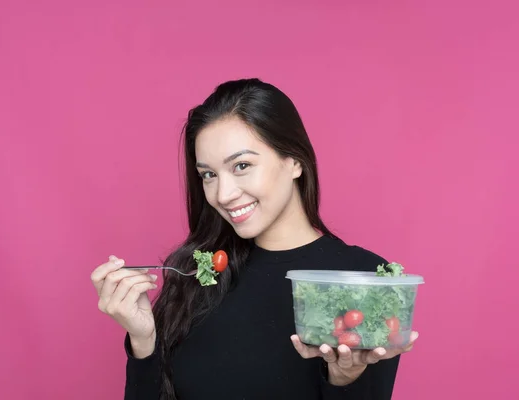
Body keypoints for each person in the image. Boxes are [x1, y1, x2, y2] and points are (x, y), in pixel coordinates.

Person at [90, 78, 418, 400]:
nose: (224, 194)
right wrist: (143, 341)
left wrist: (345, 378)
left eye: (242, 165)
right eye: (209, 175)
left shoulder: (365, 279)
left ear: (294, 162)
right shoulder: (195, 276)